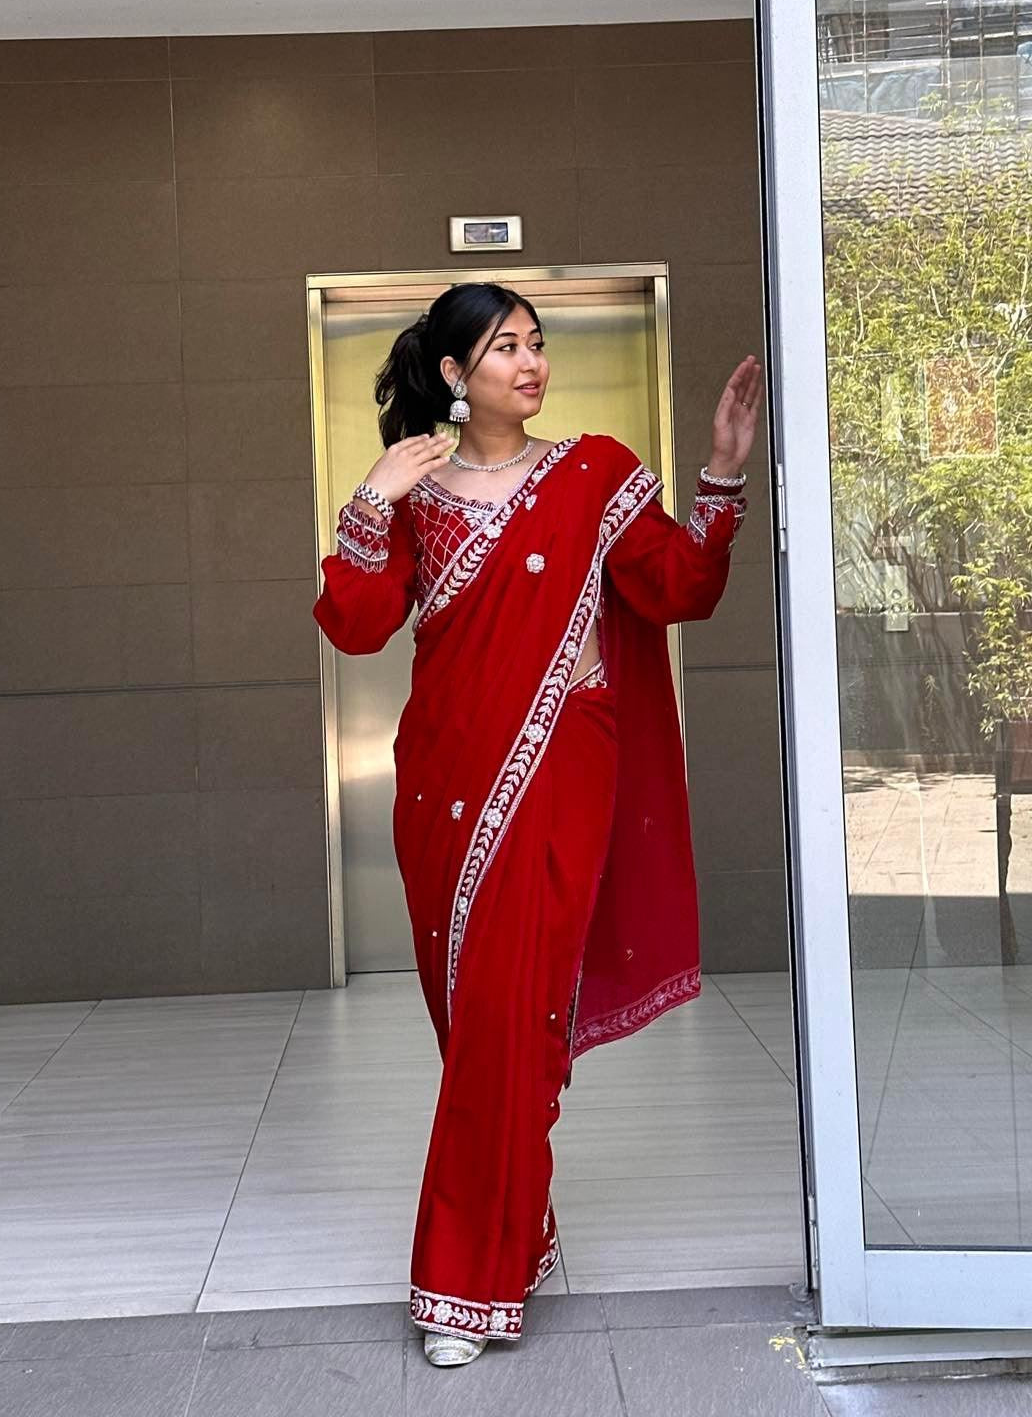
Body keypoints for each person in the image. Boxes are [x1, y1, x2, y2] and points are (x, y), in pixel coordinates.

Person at [313, 281, 762, 1368]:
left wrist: (723, 473)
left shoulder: (596, 472)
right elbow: (358, 624)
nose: (530, 362)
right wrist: (371, 494)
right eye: (502, 348)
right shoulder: (415, 494)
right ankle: (523, 1230)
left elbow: (676, 588)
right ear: (455, 377)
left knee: (512, 1024)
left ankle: (459, 1284)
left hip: (557, 787)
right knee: (484, 1037)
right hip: (439, 794)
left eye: (536, 342)